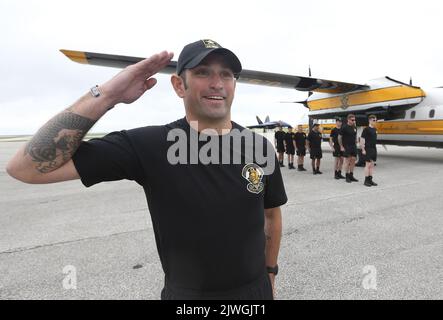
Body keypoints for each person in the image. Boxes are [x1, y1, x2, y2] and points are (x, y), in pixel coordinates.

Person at [6, 39, 287, 300]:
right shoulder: (149, 145)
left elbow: (271, 215)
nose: (217, 83)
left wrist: (271, 273)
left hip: (255, 294)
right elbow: (26, 168)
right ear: (179, 85)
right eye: (203, 72)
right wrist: (107, 96)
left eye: (227, 74)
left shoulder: (259, 147)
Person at [339, 114, 359, 183]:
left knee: (353, 160)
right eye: (352, 120)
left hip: (353, 146)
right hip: (347, 146)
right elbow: (339, 137)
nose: (354, 121)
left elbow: (355, 134)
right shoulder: (344, 127)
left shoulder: (354, 127)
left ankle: (351, 175)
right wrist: (341, 146)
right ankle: (347, 176)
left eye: (354, 120)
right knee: (347, 161)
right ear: (348, 120)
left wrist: (356, 140)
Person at [360, 115, 378, 187]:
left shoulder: (375, 129)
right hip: (368, 148)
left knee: (372, 165)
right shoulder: (366, 129)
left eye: (376, 120)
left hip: (374, 148)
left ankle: (370, 179)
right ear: (370, 120)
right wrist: (363, 149)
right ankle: (366, 180)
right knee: (368, 165)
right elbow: (362, 139)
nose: (375, 121)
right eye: (374, 120)